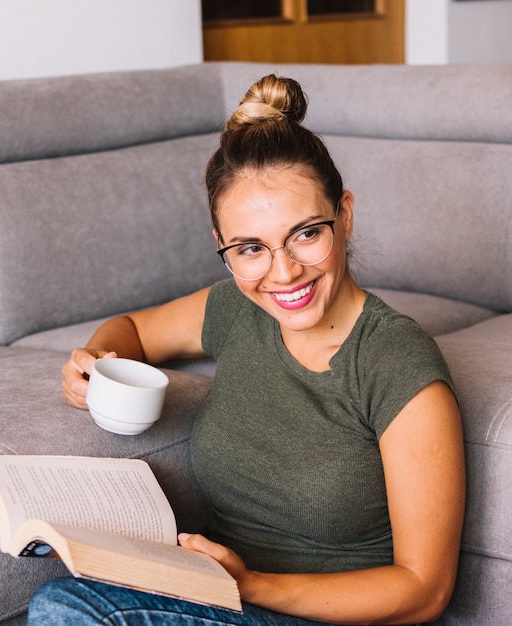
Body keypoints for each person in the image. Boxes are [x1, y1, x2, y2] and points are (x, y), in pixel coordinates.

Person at [28, 74, 465, 626]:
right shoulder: (238, 310)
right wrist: (93, 365)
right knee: (66, 598)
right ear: (222, 245)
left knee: (65, 611)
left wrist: (252, 585)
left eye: (307, 233)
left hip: (321, 615)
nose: (283, 273)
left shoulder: (396, 364)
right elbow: (131, 330)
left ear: (345, 214)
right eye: (251, 248)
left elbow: (425, 590)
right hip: (224, 602)